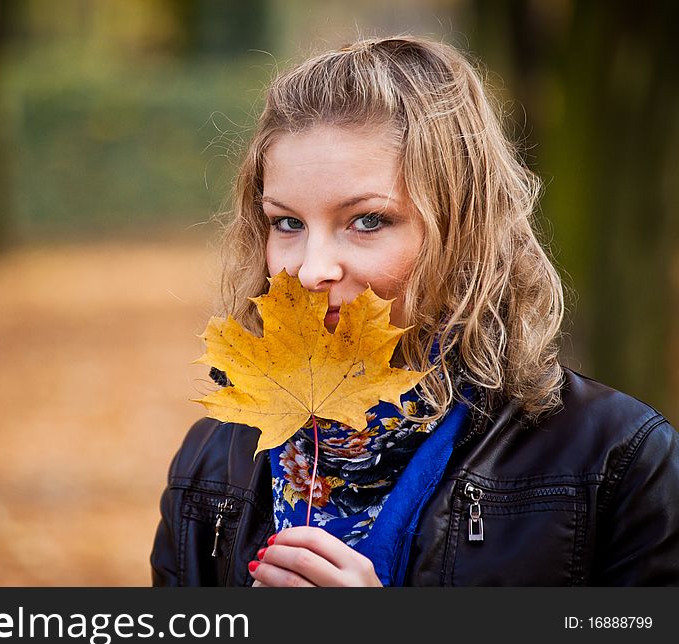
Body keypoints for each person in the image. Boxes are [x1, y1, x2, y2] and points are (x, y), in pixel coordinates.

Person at [150, 36, 679, 586]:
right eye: (287, 223)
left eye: (368, 221)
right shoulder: (212, 464)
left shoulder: (616, 459)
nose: (311, 270)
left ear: (463, 231)